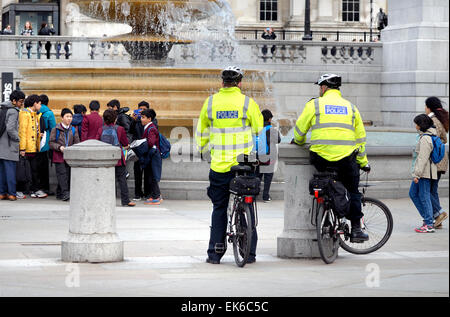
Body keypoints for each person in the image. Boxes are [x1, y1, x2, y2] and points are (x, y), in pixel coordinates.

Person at [196, 66, 264, 264]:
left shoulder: (210, 103)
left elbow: (201, 134)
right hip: (243, 165)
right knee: (248, 205)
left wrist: (203, 148)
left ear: (222, 83)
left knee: (219, 208)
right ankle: (249, 253)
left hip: (220, 165)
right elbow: (259, 129)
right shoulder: (247, 103)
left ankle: (215, 253)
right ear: (239, 83)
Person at [293, 74, 370, 243]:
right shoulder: (351, 107)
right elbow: (360, 139)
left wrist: (298, 141)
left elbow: (299, 131)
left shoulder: (314, 105)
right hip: (346, 159)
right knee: (353, 191)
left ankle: (326, 210)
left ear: (323, 87)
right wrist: (363, 162)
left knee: (326, 183)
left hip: (321, 157)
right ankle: (356, 228)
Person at [96, 109, 135, 207]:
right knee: (122, 180)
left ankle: (106, 200)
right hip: (118, 159)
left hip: (105, 158)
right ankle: (125, 201)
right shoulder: (120, 129)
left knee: (105, 180)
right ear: (115, 118)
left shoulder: (101, 129)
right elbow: (125, 143)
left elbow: (97, 142)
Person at [409, 114, 439, 233]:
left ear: (421, 125)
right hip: (424, 172)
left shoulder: (426, 138)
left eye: (416, 123)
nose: (415, 126)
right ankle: (428, 218)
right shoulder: (426, 136)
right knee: (413, 193)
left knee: (424, 196)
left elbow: (422, 158)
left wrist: (417, 174)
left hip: (424, 173)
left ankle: (429, 224)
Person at [424, 97, 449, 228]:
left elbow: (429, 140)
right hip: (442, 158)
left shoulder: (432, 120)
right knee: (433, 190)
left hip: (435, 160)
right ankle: (437, 220)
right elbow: (444, 139)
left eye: (425, 106)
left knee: (426, 190)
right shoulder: (441, 120)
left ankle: (439, 213)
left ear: (429, 107)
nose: (424, 108)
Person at [19, 94, 47, 198]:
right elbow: (22, 132)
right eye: (39, 104)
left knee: (34, 170)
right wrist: (22, 148)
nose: (41, 106)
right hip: (26, 148)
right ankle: (23, 190)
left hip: (34, 147)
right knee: (24, 171)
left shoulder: (36, 114)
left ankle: (34, 190)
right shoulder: (24, 114)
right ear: (34, 103)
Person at [49, 108, 80, 201]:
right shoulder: (56, 129)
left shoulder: (73, 129)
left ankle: (59, 192)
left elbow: (77, 142)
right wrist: (59, 147)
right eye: (67, 116)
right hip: (59, 156)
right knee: (62, 174)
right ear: (62, 118)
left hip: (69, 157)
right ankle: (66, 193)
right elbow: (51, 142)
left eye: (70, 117)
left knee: (67, 175)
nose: (69, 119)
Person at [0, 90, 25, 201]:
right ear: (14, 101)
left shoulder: (3, 109)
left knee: (2, 172)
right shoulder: (13, 111)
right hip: (10, 146)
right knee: (10, 171)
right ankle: (11, 193)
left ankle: (2, 193)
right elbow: (10, 128)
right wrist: (17, 138)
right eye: (20, 102)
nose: (21, 104)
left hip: (2, 145)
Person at [257, 109, 281, 203]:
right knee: (268, 176)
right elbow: (278, 140)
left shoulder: (258, 129)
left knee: (258, 175)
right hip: (269, 156)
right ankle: (265, 196)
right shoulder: (271, 129)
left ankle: (254, 194)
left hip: (259, 156)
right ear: (270, 119)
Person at [141, 109, 162, 205]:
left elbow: (151, 142)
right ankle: (154, 195)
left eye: (143, 117)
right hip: (151, 154)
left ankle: (157, 196)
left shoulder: (151, 128)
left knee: (153, 175)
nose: (141, 119)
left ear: (149, 119)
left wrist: (142, 143)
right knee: (150, 175)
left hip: (153, 155)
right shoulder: (148, 127)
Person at [130, 101, 150, 201]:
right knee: (137, 173)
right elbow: (130, 131)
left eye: (144, 109)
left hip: (147, 150)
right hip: (137, 150)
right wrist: (133, 120)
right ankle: (137, 193)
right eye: (140, 109)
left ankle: (147, 193)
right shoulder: (136, 121)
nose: (142, 111)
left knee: (147, 173)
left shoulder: (152, 121)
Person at [37, 94, 56, 196]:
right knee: (45, 167)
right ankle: (45, 188)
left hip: (35, 142)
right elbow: (53, 128)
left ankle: (36, 187)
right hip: (45, 143)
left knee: (36, 166)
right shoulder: (49, 113)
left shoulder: (35, 112)